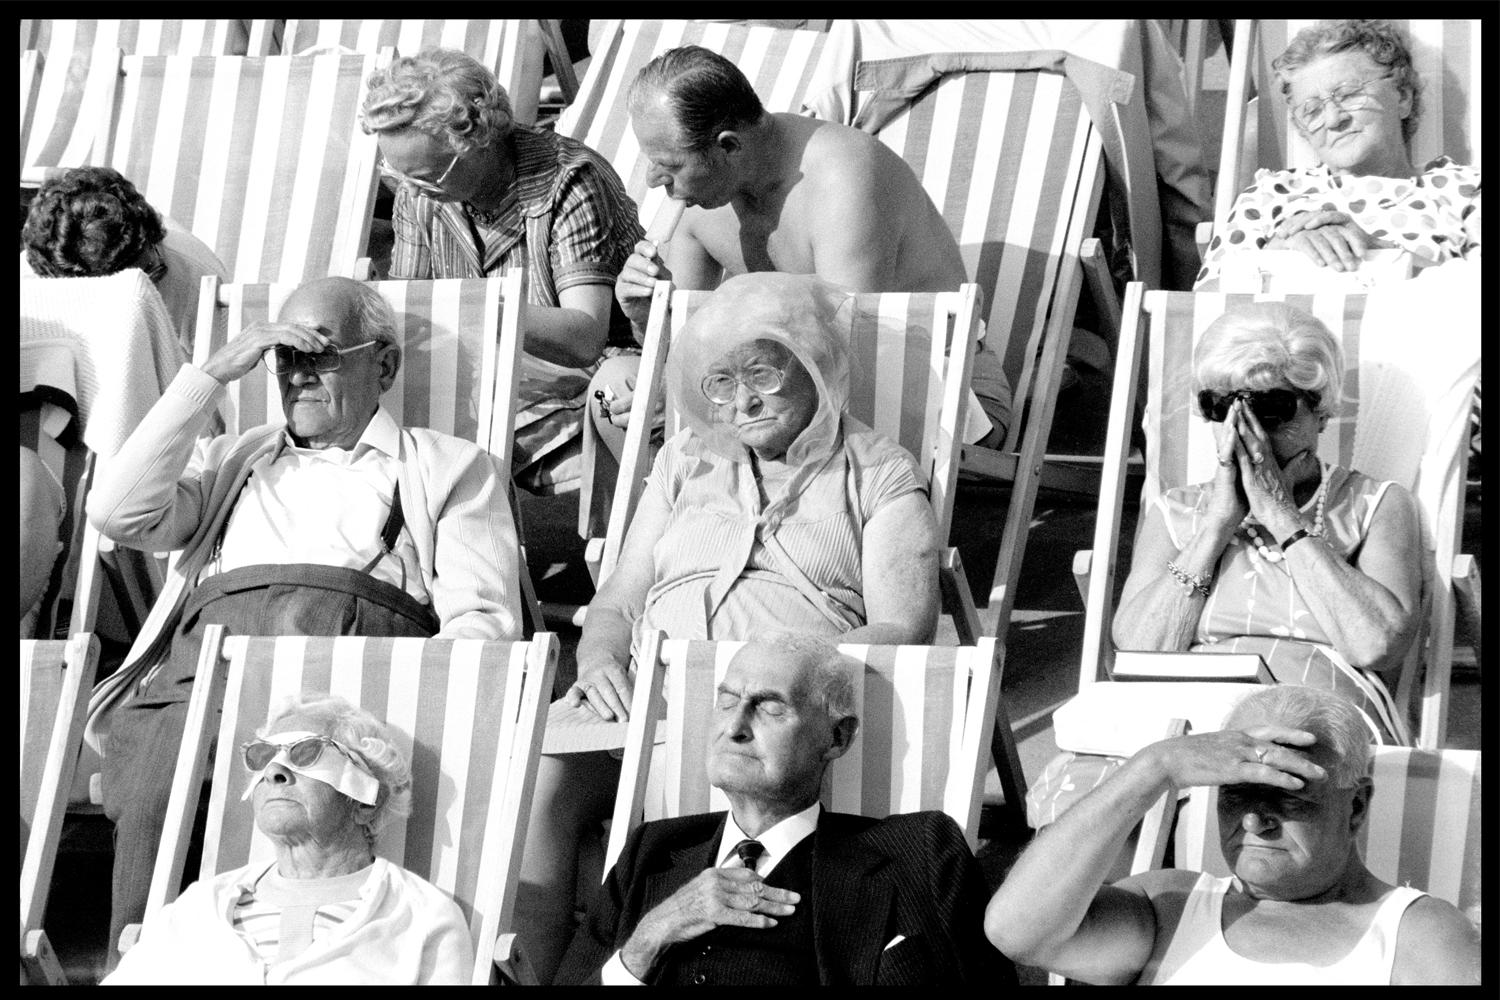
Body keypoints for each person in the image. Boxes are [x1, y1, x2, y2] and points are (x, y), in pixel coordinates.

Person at [520, 272, 941, 982]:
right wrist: (598, 662)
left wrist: (753, 667)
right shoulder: (687, 461)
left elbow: (906, 625)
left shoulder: (880, 472)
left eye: (763, 376)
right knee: (540, 778)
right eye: (720, 382)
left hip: (766, 706)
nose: (741, 401)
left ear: (815, 367)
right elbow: (619, 601)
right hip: (642, 695)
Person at [87, 275, 523, 962]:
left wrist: (387, 703)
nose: (296, 375)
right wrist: (211, 377)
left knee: (315, 792)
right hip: (204, 682)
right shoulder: (235, 458)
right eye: (282, 357)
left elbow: (483, 627)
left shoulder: (448, 466)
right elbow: (117, 512)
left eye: (317, 353)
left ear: (382, 363)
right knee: (157, 787)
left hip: (345, 694)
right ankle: (144, 966)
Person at [1026, 302, 1421, 827]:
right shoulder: (1179, 511)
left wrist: (1282, 518)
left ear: (1321, 411)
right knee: (1084, 807)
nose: (1246, 426)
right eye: (1222, 406)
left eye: (1273, 407)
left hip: (1307, 713)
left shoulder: (1376, 504)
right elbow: (1141, 646)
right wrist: (1214, 527)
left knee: (1267, 789)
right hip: (1180, 717)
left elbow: (1378, 644)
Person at [597, 44, 1011, 461]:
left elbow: (846, 357)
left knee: (740, 419)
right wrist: (646, 314)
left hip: (937, 388)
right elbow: (677, 344)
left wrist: (696, 394)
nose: (652, 180)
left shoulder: (844, 178)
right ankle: (683, 523)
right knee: (620, 379)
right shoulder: (701, 197)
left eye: (668, 163)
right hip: (775, 388)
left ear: (728, 146)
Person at [557, 634, 1011, 986]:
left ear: (836, 738)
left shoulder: (917, 853)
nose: (735, 727)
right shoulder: (653, 851)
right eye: (727, 701)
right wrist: (649, 938)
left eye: (770, 708)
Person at [986, 685, 1481, 985]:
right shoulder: (1169, 907)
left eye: (1287, 794)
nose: (1252, 822)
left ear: (1355, 806)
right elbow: (1016, 932)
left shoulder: (1418, 937)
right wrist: (1154, 767)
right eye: (1235, 795)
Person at [360, 48, 644, 489]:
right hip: (489, 368)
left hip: (593, 378)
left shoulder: (567, 181)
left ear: (478, 140)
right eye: (399, 175)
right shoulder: (419, 192)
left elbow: (585, 338)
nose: (413, 189)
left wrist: (475, 306)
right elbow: (414, 301)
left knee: (427, 435)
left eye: (429, 174)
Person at [104, 694, 473, 984]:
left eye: (306, 753)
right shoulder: (201, 905)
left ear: (366, 802)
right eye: (263, 756)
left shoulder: (421, 919)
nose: (275, 770)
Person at [1196, 19, 1481, 288]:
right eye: (1312, 110)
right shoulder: (1270, 194)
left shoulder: (1463, 191)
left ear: (1403, 97)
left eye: (1348, 94)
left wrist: (1382, 254)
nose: (1333, 119)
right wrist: (1274, 255)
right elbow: (1201, 306)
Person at [20, 166, 229, 358]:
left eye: (150, 273)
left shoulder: (198, 283)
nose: (139, 292)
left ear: (153, 239)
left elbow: (209, 383)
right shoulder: (34, 279)